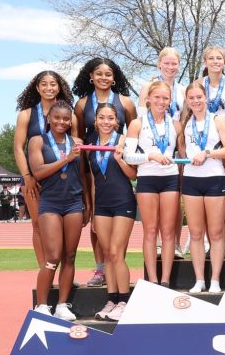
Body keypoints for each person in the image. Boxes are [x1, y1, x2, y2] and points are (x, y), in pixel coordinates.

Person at [73, 57, 138, 287]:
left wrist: (125, 151)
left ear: (115, 77)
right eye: (98, 74)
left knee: (116, 246)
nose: (103, 78)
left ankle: (115, 271)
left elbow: (135, 133)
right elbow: (78, 137)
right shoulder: (82, 104)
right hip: (93, 165)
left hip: (116, 162)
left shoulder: (127, 103)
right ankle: (100, 268)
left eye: (108, 74)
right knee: (95, 220)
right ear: (90, 76)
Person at [28, 101, 88, 321]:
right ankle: (42, 305)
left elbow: (83, 175)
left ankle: (63, 304)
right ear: (49, 119)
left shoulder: (77, 142)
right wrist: (66, 158)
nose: (61, 122)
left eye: (66, 118)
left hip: (73, 202)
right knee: (52, 256)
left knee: (69, 256)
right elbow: (38, 172)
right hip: (51, 203)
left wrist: (87, 203)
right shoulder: (38, 141)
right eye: (57, 118)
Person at [13, 71, 75, 268]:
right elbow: (17, 147)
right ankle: (44, 272)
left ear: (60, 87)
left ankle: (64, 273)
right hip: (34, 179)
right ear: (37, 88)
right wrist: (27, 176)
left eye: (53, 84)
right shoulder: (26, 114)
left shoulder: (68, 114)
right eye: (44, 84)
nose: (49, 88)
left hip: (63, 179)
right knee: (38, 225)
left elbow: (76, 144)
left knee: (63, 228)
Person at [125, 80, 182, 285]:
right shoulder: (137, 124)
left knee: (168, 232)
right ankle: (153, 279)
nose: (161, 101)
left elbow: (183, 153)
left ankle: (165, 280)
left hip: (170, 178)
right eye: (157, 97)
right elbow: (129, 156)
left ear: (170, 100)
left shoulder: (175, 124)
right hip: (147, 179)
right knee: (150, 231)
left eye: (165, 98)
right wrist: (151, 156)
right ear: (148, 98)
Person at [180, 81, 225, 292]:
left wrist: (208, 153)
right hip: (192, 180)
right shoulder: (186, 122)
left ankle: (215, 281)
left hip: (214, 178)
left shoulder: (218, 120)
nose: (196, 101)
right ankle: (199, 280)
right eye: (191, 98)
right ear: (187, 100)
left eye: (199, 97)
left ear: (206, 98)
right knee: (195, 233)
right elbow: (184, 152)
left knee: (216, 233)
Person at [87, 103, 137, 321]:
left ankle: (125, 301)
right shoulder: (91, 144)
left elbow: (133, 175)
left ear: (117, 121)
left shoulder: (123, 140)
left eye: (110, 118)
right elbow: (93, 180)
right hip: (102, 205)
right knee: (107, 254)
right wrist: (93, 211)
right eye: (102, 118)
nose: (106, 122)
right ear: (96, 120)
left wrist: (119, 159)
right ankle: (112, 299)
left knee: (117, 252)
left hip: (122, 200)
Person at [137, 47, 189, 257]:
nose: (170, 67)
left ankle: (174, 243)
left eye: (174, 63)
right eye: (166, 63)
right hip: (151, 147)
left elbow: (184, 119)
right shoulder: (147, 87)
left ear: (178, 65)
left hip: (172, 145)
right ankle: (157, 243)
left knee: (173, 201)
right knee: (153, 205)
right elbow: (141, 118)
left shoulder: (183, 89)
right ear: (159, 64)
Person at [195, 45, 225, 251]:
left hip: (224, 147)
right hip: (201, 146)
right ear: (205, 62)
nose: (215, 62)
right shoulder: (197, 84)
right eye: (211, 58)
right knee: (204, 195)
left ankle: (222, 242)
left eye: (219, 58)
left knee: (224, 194)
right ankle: (206, 242)